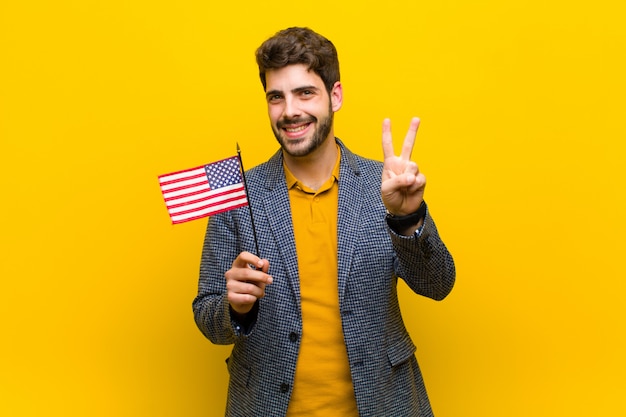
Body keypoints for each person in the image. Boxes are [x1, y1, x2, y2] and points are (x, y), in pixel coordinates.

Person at [192, 26, 455, 417]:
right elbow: (207, 317)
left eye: (305, 93)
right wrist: (235, 308)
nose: (289, 111)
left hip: (383, 404)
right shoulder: (237, 196)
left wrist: (407, 219)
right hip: (265, 405)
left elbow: (437, 285)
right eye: (276, 97)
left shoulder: (384, 187)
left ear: (335, 96)